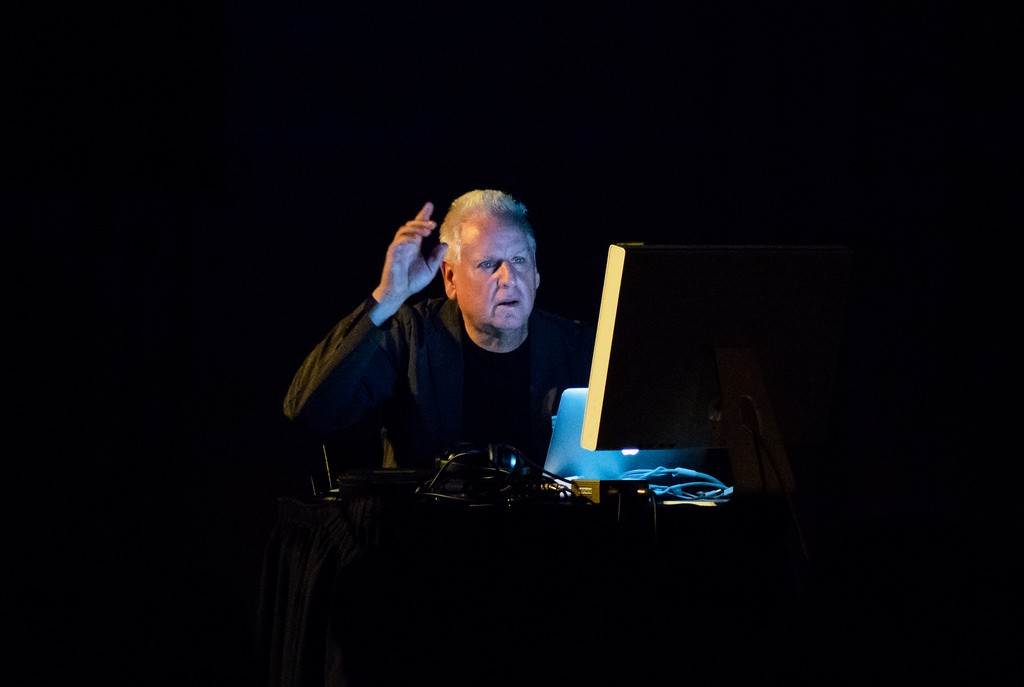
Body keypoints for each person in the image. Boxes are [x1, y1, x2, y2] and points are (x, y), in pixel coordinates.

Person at [283, 189, 596, 472]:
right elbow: (312, 411)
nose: (509, 277)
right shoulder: (410, 335)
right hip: (425, 529)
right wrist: (386, 298)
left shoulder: (577, 344)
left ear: (537, 272)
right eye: (489, 264)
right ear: (450, 278)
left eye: (519, 260)